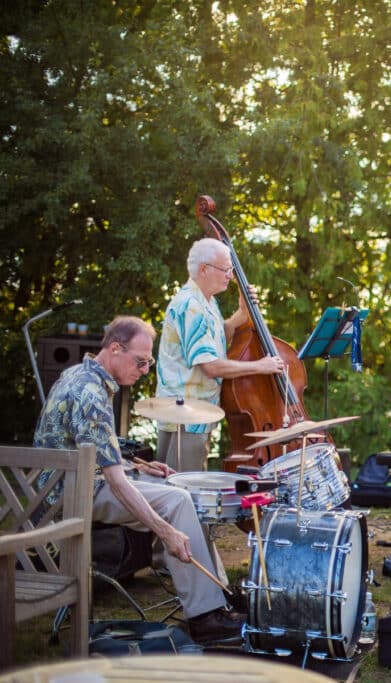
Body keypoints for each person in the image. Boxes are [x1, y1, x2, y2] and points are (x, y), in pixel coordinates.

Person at [33, 316, 241, 644]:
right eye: (141, 361)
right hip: (70, 495)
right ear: (115, 349)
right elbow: (115, 482)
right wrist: (166, 531)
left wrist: (139, 465)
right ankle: (205, 617)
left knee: (173, 488)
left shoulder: (78, 374)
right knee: (178, 500)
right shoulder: (91, 392)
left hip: (72, 482)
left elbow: (91, 449)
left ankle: (214, 599)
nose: (145, 370)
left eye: (150, 362)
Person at [155, 237, 285, 472]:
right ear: (204, 269)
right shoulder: (191, 305)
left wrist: (242, 312)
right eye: (226, 269)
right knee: (182, 487)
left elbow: (217, 336)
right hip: (185, 415)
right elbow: (211, 365)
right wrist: (260, 366)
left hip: (195, 413)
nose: (230, 275)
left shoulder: (206, 301)